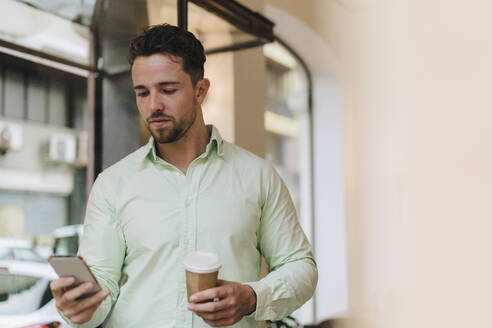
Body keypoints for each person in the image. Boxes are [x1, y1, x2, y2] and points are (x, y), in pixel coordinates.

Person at [50, 24, 317, 328]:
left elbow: (301, 268)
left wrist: (251, 297)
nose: (154, 105)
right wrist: (78, 308)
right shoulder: (113, 184)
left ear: (200, 90)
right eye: (142, 93)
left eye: (168, 89)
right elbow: (100, 291)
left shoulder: (258, 176)